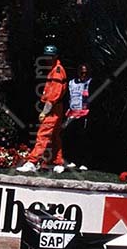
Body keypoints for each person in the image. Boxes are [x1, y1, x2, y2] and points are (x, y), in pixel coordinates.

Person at [17, 44, 68, 174]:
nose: (48, 58)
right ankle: (57, 162)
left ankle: (32, 162)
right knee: (55, 136)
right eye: (46, 55)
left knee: (43, 134)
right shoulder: (54, 69)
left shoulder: (56, 71)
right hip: (56, 107)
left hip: (53, 108)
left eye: (50, 56)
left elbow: (53, 95)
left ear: (56, 56)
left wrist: (45, 112)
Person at [63, 62, 92, 171]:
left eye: (85, 73)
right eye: (81, 72)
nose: (83, 75)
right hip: (72, 113)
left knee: (83, 139)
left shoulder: (90, 82)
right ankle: (73, 160)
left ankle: (84, 162)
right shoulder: (71, 83)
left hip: (84, 113)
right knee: (71, 137)